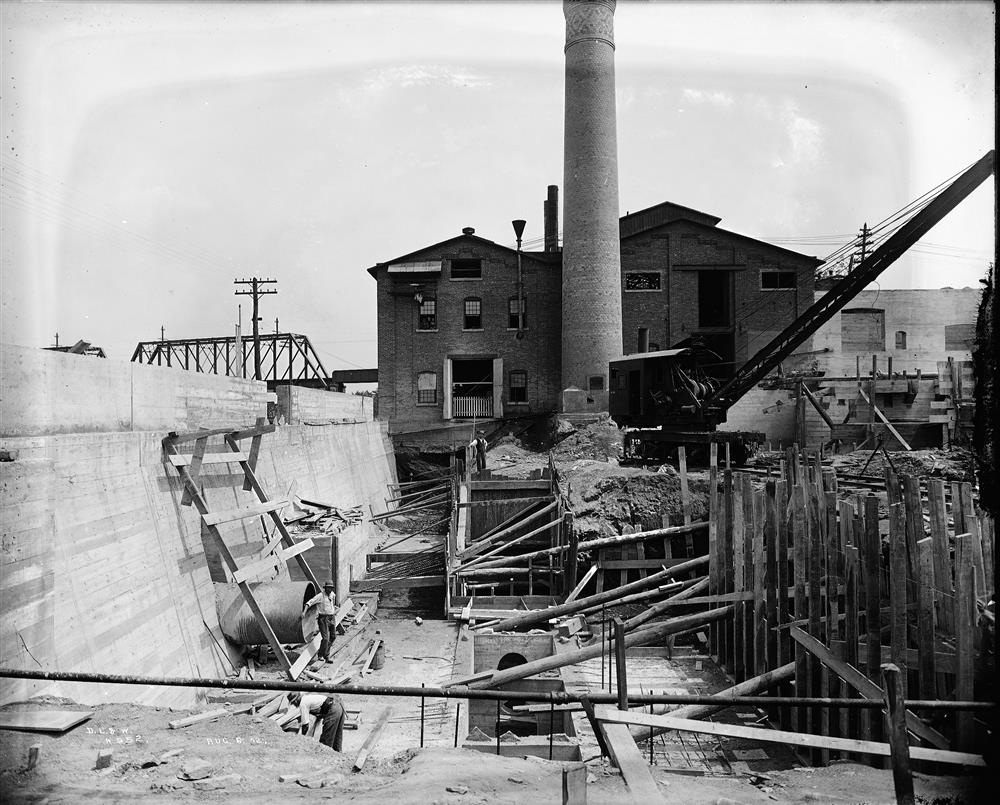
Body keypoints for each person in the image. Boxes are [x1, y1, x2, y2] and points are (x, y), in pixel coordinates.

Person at [303, 581, 337, 661]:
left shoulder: (332, 594)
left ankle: (326, 654)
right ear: (325, 588)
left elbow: (332, 603)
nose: (330, 590)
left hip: (332, 617)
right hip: (323, 619)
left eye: (331, 588)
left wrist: (334, 610)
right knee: (325, 638)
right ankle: (321, 655)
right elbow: (309, 603)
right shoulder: (320, 596)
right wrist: (304, 612)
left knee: (333, 637)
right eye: (328, 588)